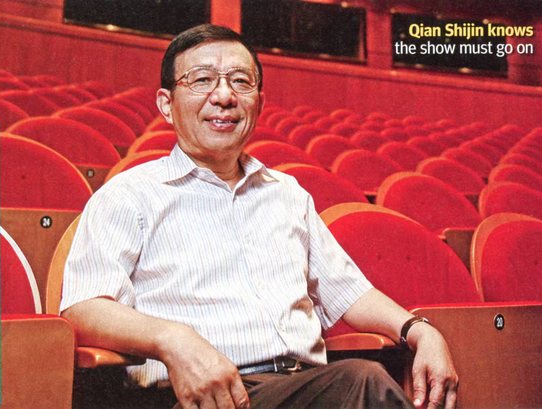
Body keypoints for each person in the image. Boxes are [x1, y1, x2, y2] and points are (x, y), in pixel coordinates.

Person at [60, 24, 458, 409]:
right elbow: (83, 307)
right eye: (202, 80)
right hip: (198, 397)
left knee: (363, 377)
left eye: (240, 82)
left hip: (305, 389)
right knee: (362, 381)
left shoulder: (287, 194)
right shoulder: (129, 194)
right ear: (167, 104)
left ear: (259, 104)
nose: (224, 96)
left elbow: (350, 293)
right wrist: (172, 339)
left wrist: (420, 331)